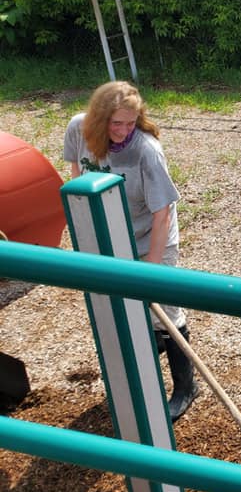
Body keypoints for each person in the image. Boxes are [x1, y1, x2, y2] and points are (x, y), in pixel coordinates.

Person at [64, 81, 200, 420]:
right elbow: (77, 177)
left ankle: (185, 386)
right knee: (122, 304)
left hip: (149, 234)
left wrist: (150, 268)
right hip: (110, 233)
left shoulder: (146, 151)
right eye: (116, 123)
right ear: (99, 119)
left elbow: (162, 211)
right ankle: (148, 348)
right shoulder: (78, 129)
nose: (124, 130)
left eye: (130, 122)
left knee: (164, 309)